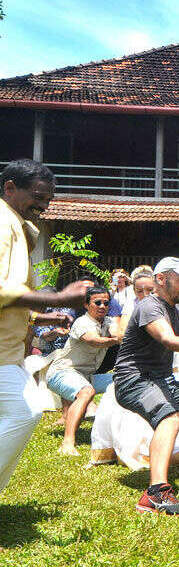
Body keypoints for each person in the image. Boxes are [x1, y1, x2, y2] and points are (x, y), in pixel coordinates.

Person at [1, 158, 90, 495]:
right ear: (10, 188)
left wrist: (40, 318)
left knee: (27, 412)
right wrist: (56, 299)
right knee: (27, 412)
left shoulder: (17, 226)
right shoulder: (2, 222)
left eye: (48, 200)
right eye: (37, 196)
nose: (43, 206)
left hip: (9, 353)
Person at [113, 257, 179, 515]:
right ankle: (155, 493)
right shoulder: (150, 306)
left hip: (163, 380)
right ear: (161, 280)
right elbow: (168, 340)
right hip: (133, 381)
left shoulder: (178, 308)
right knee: (170, 415)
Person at [45, 287, 121, 455]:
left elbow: (116, 331)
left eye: (106, 303)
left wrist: (118, 335)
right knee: (87, 392)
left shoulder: (108, 322)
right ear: (87, 305)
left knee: (125, 379)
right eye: (97, 302)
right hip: (60, 373)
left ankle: (120, 433)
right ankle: (67, 443)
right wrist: (116, 340)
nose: (102, 306)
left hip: (86, 376)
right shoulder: (82, 322)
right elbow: (93, 341)